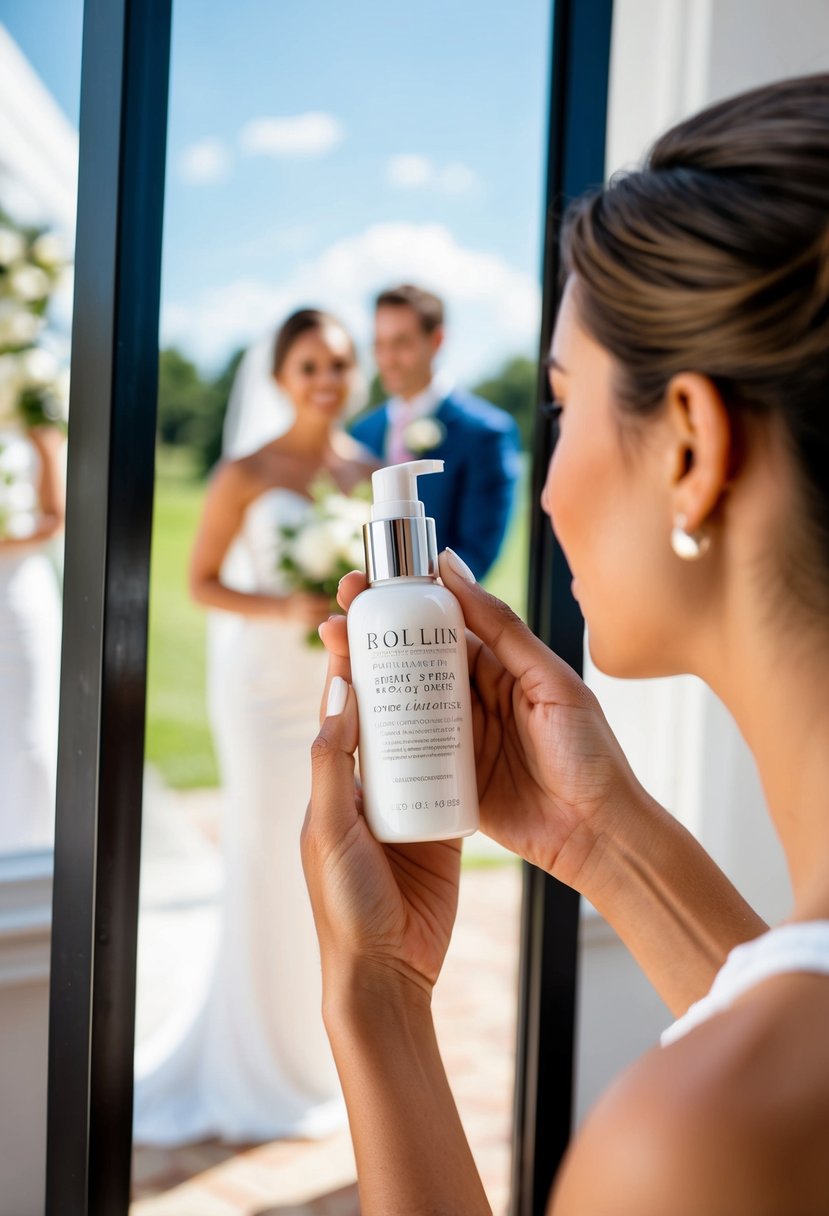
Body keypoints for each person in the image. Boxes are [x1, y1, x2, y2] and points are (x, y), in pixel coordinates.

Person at [302, 74, 829, 1214]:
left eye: (560, 403)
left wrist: (375, 994)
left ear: (688, 442)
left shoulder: (703, 1142)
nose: (547, 489)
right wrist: (604, 839)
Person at [132, 308, 378, 1145]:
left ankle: (321, 1057)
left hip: (336, 685)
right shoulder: (245, 471)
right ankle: (253, 1058)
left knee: (333, 859)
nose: (325, 379)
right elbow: (200, 582)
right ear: (280, 377)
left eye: (339, 363)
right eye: (309, 364)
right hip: (263, 687)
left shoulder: (367, 471)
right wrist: (282, 604)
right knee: (268, 850)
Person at [350, 284, 521, 580]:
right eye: (380, 344)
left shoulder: (485, 434)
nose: (387, 358)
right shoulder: (362, 432)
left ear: (437, 340)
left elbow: (476, 553)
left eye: (401, 343)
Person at [0, 423, 64, 853]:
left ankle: (30, 855)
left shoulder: (31, 403)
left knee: (28, 733)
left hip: (17, 593)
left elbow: (55, 514)